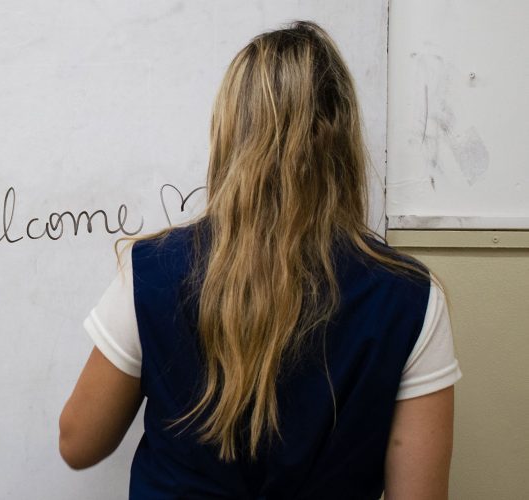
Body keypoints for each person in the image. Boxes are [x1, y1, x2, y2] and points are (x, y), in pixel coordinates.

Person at [59, 20, 462, 499]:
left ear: (229, 136)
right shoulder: (412, 300)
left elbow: (77, 442)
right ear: (343, 143)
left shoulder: (153, 271)